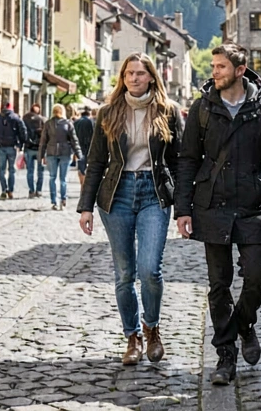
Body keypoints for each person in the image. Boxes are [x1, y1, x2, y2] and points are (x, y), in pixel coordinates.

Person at [176, 43, 261, 385]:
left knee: (256, 277)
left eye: (221, 67)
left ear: (240, 71)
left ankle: (243, 324)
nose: (215, 72)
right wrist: (183, 209)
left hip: (253, 207)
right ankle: (226, 355)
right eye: (213, 66)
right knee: (219, 284)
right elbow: (187, 160)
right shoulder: (202, 108)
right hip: (213, 205)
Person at [77, 53, 183, 366]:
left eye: (140, 73)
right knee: (125, 274)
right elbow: (96, 161)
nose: (134, 78)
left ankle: (152, 328)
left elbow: (179, 161)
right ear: (122, 77)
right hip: (117, 194)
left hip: (154, 193)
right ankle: (132, 337)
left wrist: (183, 206)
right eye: (129, 73)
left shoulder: (168, 111)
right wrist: (85, 207)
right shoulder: (109, 112)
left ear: (152, 76)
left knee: (150, 270)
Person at [40, 104, 81, 210]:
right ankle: (63, 200)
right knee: (63, 179)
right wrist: (78, 153)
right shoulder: (68, 124)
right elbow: (74, 140)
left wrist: (41, 155)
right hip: (65, 153)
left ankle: (54, 201)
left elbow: (43, 141)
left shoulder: (48, 124)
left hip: (51, 152)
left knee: (52, 178)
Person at [0, 103, 28, 200]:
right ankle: (10, 190)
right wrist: (21, 144)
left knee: (1, 170)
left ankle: (3, 190)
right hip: (12, 146)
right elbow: (23, 131)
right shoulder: (16, 118)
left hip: (1, 146)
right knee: (11, 170)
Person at [23, 104, 45, 198]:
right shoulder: (42, 119)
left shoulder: (25, 118)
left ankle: (31, 191)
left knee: (30, 171)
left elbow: (22, 132)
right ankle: (38, 190)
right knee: (40, 171)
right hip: (39, 148)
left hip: (28, 147)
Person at [74, 108, 96, 191]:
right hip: (90, 147)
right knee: (90, 167)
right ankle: (87, 185)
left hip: (79, 147)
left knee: (81, 167)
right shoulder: (91, 121)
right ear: (88, 114)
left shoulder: (76, 122)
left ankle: (82, 184)